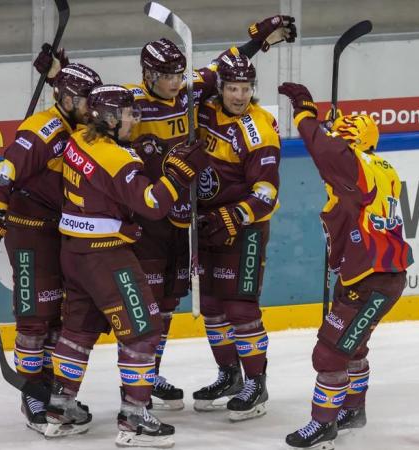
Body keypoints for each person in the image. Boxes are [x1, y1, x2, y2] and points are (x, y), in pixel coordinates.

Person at [33, 14, 297, 411]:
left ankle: (166, 376)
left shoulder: (192, 92)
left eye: (179, 74)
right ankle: (147, 375)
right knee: (151, 299)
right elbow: (90, 104)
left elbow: (225, 68)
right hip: (147, 217)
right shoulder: (128, 103)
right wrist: (59, 77)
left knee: (172, 300)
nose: (177, 82)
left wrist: (259, 41)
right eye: (167, 76)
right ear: (147, 74)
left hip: (185, 220)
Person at [44, 84, 208, 448]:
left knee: (78, 331)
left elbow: (100, 190)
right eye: (130, 113)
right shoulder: (118, 159)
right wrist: (178, 175)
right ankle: (134, 416)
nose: (136, 118)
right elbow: (152, 204)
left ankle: (60, 406)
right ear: (108, 117)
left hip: (74, 252)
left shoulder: (78, 141)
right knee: (144, 331)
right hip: (106, 256)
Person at [0, 62, 102, 433]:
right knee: (35, 315)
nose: (93, 106)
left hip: (62, 231)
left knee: (60, 315)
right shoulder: (44, 129)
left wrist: (61, 64)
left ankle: (52, 388)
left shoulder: (82, 125)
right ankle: (32, 394)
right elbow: (1, 173)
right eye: (86, 99)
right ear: (67, 98)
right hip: (29, 232)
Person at [278, 82, 414, 449]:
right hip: (371, 273)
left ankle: (323, 425)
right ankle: (352, 410)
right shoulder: (382, 168)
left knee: (329, 352)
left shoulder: (356, 167)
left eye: (343, 137)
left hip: (372, 278)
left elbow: (324, 149)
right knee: (353, 346)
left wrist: (306, 112)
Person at [191, 53, 281, 422]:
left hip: (244, 231)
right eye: (232, 88)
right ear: (221, 88)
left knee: (240, 308)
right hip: (206, 227)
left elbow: (266, 193)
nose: (240, 95)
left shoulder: (259, 129)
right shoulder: (204, 112)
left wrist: (233, 215)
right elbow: (190, 83)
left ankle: (256, 383)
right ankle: (229, 376)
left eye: (245, 88)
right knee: (212, 306)